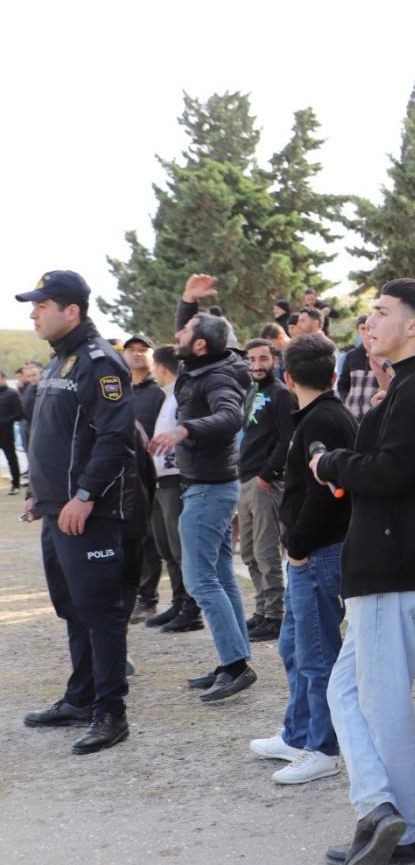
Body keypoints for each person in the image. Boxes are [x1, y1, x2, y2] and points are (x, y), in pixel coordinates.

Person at [311, 278, 415, 865]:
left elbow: (392, 471)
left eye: (379, 312)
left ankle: (390, 821)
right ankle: (384, 816)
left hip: (392, 570)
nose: (367, 321)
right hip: (402, 567)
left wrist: (327, 462)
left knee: (379, 708)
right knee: (346, 693)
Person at [17, 270, 136, 754]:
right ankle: (81, 697)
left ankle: (112, 711)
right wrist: (39, 494)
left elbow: (115, 439)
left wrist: (85, 496)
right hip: (56, 511)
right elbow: (55, 438)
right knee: (73, 609)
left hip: (91, 513)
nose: (32, 313)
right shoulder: (57, 362)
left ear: (72, 311)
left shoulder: (99, 362)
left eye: (41, 305)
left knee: (101, 613)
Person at [249, 333, 359, 786]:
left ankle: (322, 746)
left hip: (318, 552)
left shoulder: (323, 420)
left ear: (287, 376)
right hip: (312, 551)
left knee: (317, 655)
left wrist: (296, 547)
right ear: (333, 374)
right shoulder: (319, 415)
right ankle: (297, 733)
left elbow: (326, 495)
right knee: (295, 646)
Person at [149, 275, 258, 701]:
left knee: (200, 580)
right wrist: (188, 302)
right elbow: (189, 339)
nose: (177, 334)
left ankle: (234, 666)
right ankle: (235, 658)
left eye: (185, 330)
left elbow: (231, 418)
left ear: (199, 347)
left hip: (209, 490)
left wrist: (184, 431)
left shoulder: (216, 378)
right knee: (219, 578)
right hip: (210, 487)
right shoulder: (203, 362)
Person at [238, 338, 296, 642]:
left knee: (266, 552)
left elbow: (289, 438)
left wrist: (267, 474)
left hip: (266, 482)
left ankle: (275, 616)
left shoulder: (281, 394)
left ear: (275, 359)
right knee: (248, 552)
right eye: (252, 360)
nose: (257, 365)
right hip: (246, 481)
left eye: (263, 359)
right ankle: (261, 611)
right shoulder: (253, 390)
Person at [143, 345, 200, 631]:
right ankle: (178, 601)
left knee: (179, 549)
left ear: (161, 368)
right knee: (166, 547)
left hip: (175, 479)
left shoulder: (180, 395)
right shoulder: (167, 396)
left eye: (155, 368)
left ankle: (191, 608)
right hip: (160, 481)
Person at [123, 333, 165, 622]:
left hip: (158, 473)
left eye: (143, 349)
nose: (137, 354)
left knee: (153, 538)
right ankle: (133, 594)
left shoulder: (160, 391)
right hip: (125, 473)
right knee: (131, 536)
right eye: (131, 350)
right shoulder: (119, 388)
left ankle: (148, 598)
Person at [337, 315, 377, 421]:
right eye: (362, 328)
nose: (366, 332)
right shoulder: (351, 356)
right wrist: (347, 400)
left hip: (374, 415)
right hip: (352, 415)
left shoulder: (383, 354)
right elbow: (342, 384)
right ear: (357, 331)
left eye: (368, 328)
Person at [0, 369, 22, 494]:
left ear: (3, 378)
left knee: (11, 459)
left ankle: (16, 485)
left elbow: (19, 413)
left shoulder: (12, 394)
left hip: (6, 432)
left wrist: (4, 421)